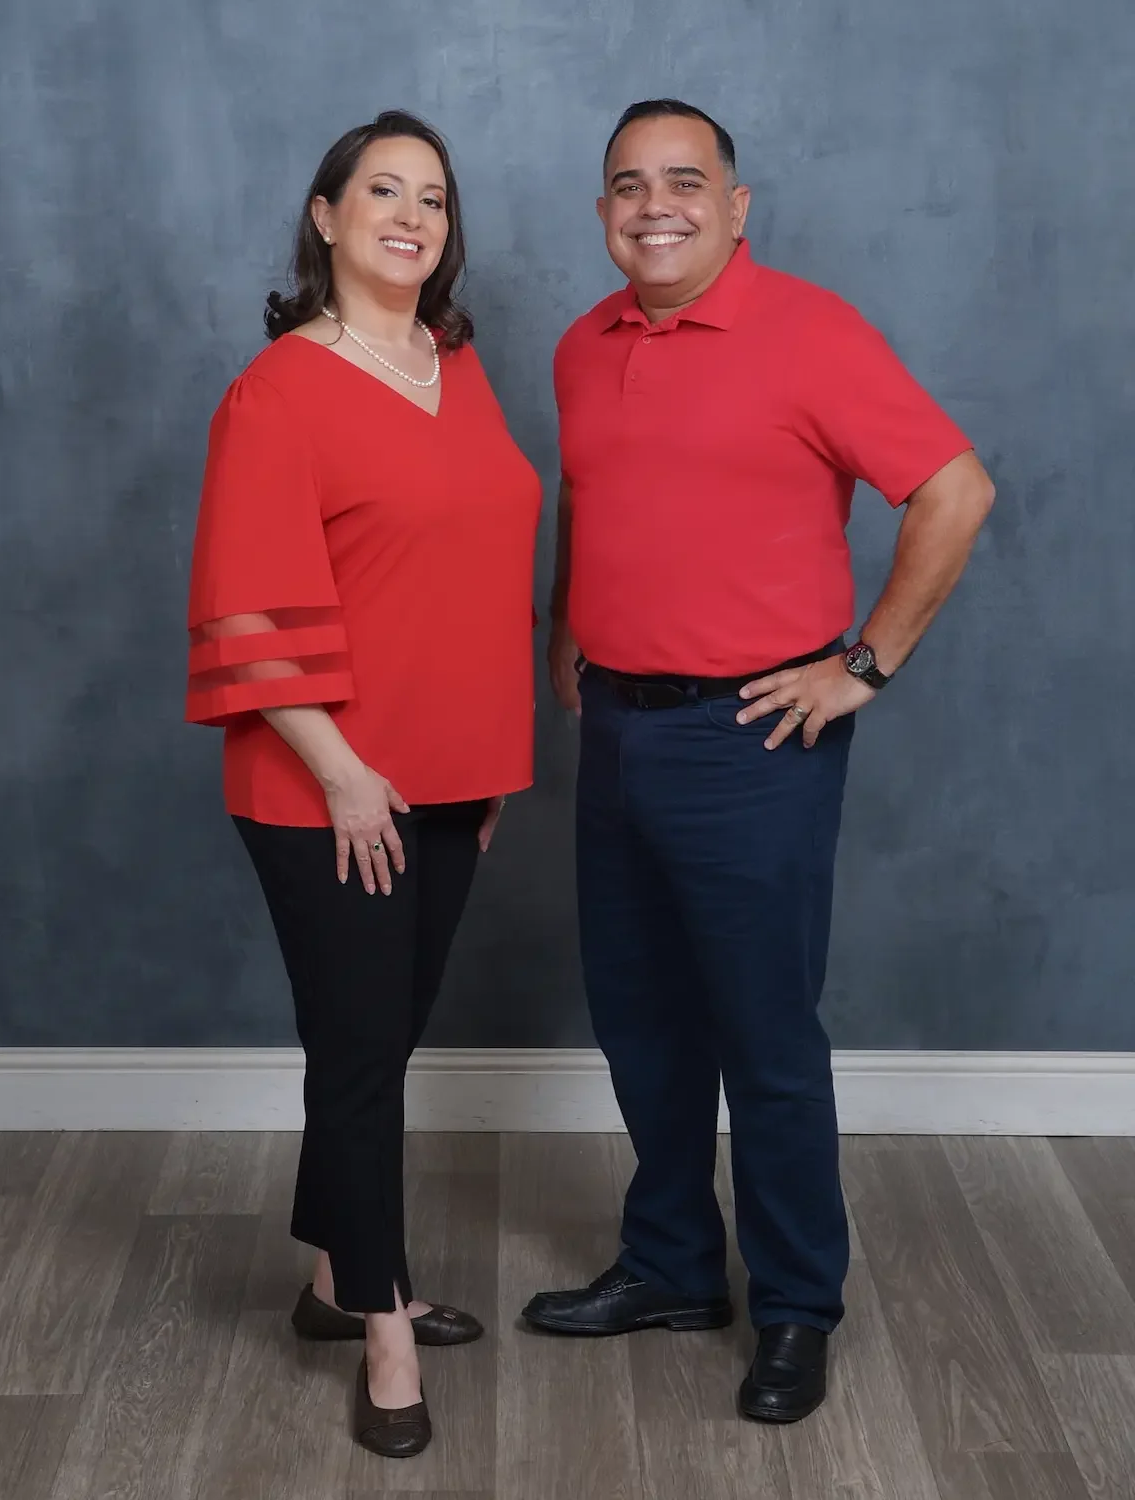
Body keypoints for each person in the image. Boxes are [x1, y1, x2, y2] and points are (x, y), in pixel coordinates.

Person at [522, 98, 995, 1423]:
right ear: (602, 210)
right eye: (627, 184)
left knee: (764, 1036)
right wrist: (570, 630)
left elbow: (955, 490)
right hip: (614, 726)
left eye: (685, 181)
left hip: (753, 736)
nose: (653, 205)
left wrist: (865, 664)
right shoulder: (580, 344)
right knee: (639, 1023)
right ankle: (673, 1263)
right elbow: (586, 493)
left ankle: (795, 1306)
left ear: (736, 205)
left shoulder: (810, 332)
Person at [185, 110, 540, 1457]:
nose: (412, 214)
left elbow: (473, 561)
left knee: (379, 1042)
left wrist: (486, 756)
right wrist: (340, 772)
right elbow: (244, 606)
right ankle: (382, 1332)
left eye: (434, 197)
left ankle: (337, 1279)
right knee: (358, 1057)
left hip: (452, 776)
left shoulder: (460, 361)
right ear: (326, 218)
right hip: (326, 780)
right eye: (382, 190)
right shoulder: (276, 390)